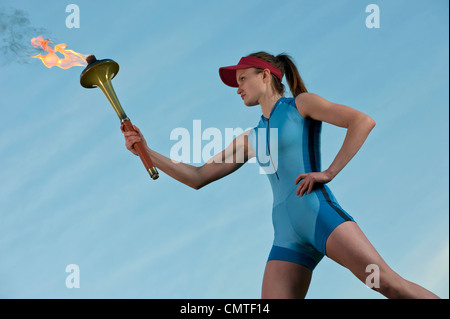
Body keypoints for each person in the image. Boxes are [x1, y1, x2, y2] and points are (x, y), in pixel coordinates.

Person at [121, 52, 440, 299]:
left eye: (242, 79)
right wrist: (147, 151)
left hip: (319, 215)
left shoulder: (301, 105)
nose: (238, 88)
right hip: (286, 238)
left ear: (265, 75)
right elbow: (198, 175)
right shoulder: (250, 138)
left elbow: (362, 121)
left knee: (388, 284)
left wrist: (329, 171)